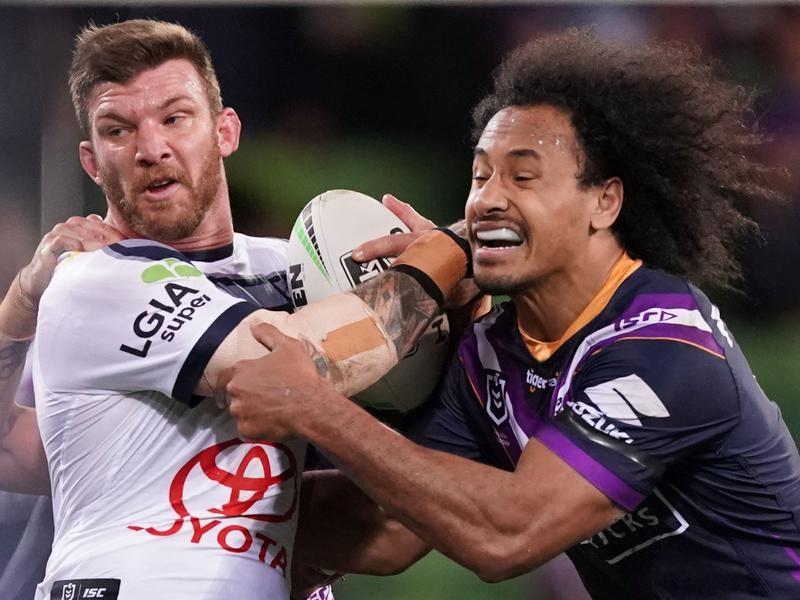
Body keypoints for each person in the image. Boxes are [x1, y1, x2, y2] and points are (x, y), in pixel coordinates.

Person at [220, 27, 800, 599]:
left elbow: (508, 535)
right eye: (480, 176)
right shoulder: (492, 349)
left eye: (523, 177)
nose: (488, 199)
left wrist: (312, 405)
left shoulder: (667, 346)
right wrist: (203, 512)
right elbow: (391, 526)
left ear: (605, 201)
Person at [0, 18, 473, 600]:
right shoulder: (99, 277)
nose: (151, 149)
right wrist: (454, 251)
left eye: (175, 118)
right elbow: (292, 367)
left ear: (226, 131)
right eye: (118, 130)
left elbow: (394, 522)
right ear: (93, 163)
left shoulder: (298, 264)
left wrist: (462, 312)